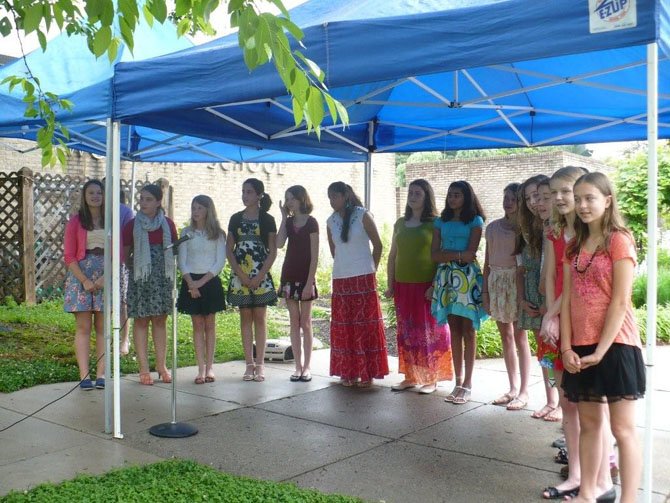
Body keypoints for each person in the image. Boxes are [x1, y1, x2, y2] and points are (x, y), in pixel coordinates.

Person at [561, 172, 644, 503]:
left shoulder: (619, 239)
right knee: (589, 424)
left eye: (590, 198)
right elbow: (567, 300)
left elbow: (621, 301)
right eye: (578, 198)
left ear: (607, 200)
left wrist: (601, 350)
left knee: (622, 429)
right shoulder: (573, 246)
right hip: (580, 346)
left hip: (617, 344)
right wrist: (566, 346)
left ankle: (630, 500)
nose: (582, 205)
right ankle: (586, 495)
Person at [542, 166, 588, 499]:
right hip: (558, 323)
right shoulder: (553, 232)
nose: (559, 197)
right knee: (567, 403)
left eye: (566, 191)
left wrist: (555, 312)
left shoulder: (592, 234)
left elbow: (580, 283)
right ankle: (575, 473)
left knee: (589, 405)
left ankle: (595, 473)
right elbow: (548, 276)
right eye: (554, 191)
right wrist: (550, 316)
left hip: (585, 322)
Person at [385, 179, 453, 394]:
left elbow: (441, 257)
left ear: (426, 197)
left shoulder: (435, 223)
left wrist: (434, 285)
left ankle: (431, 378)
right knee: (407, 331)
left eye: (417, 193)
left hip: (425, 285)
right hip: (402, 284)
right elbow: (392, 255)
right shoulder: (400, 223)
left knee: (429, 331)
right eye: (411, 192)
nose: (412, 196)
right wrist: (390, 283)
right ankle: (410, 376)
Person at [327, 182, 389, 387]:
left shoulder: (363, 215)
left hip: (363, 277)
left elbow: (378, 245)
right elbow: (334, 252)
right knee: (345, 326)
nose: (331, 201)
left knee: (364, 325)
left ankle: (367, 372)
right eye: (329, 197)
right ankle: (348, 371)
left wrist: (373, 268)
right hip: (341, 279)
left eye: (335, 196)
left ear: (345, 196)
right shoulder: (330, 221)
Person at [431, 180, 487, 405]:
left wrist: (450, 253)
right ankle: (458, 381)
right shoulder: (439, 221)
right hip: (446, 278)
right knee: (453, 328)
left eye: (457, 195)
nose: (452, 198)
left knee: (468, 330)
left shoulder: (475, 220)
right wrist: (458, 254)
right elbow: (434, 255)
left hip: (467, 278)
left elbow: (471, 253)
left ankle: (468, 384)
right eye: (450, 195)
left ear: (467, 197)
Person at [122, 184, 177, 386]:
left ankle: (161, 366)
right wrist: (139, 268)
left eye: (148, 199)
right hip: (141, 278)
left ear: (158, 202)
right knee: (141, 320)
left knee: (160, 320)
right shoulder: (132, 225)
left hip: (161, 279)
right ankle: (144, 369)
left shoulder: (168, 224)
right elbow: (125, 253)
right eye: (141, 198)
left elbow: (174, 251)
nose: (143, 202)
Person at [484, 182, 531, 411]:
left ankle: (524, 391)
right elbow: (487, 262)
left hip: (516, 282)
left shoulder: (524, 230)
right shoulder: (492, 228)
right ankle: (512, 388)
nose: (507, 202)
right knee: (506, 337)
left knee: (520, 337)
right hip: (497, 282)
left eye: (512, 198)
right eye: (505, 197)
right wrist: (485, 292)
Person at [516, 175, 559, 422]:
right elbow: (520, 267)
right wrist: (524, 298)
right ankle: (551, 398)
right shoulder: (529, 228)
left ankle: (561, 401)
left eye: (539, 196)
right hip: (535, 296)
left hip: (551, 297)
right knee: (545, 354)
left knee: (556, 354)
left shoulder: (553, 226)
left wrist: (547, 302)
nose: (534, 202)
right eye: (529, 197)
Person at [226, 178, 278, 382]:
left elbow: (272, 251)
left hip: (261, 274)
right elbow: (229, 250)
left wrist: (259, 275)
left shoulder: (268, 219)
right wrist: (240, 273)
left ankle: (261, 364)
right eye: (243, 191)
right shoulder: (235, 218)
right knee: (245, 317)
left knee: (260, 318)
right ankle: (249, 364)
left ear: (259, 195)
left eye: (249, 192)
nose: (245, 195)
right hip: (241, 275)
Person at [177, 195, 227, 384]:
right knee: (197, 325)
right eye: (193, 208)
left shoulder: (218, 234)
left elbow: (219, 262)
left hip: (209, 281)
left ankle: (210, 368)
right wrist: (191, 283)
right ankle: (200, 369)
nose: (195, 212)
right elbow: (182, 261)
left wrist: (201, 283)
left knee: (210, 324)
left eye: (199, 208)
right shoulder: (186, 233)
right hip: (191, 280)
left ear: (208, 210)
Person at [63, 180, 107, 390]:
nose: (95, 196)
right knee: (83, 327)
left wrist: (104, 279)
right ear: (85, 195)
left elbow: (118, 254)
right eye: (91, 192)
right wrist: (85, 280)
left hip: (105, 276)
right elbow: (69, 256)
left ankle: (101, 374)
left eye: (99, 192)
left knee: (102, 328)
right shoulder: (75, 222)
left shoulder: (111, 221)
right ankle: (84, 376)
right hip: (81, 277)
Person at [277, 185, 319, 382]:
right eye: (287, 199)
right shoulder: (289, 221)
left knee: (306, 322)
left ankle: (308, 366)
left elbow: (314, 255)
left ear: (301, 199)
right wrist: (284, 219)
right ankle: (297, 366)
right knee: (294, 322)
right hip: (289, 275)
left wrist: (310, 282)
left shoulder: (312, 223)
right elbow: (278, 243)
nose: (288, 202)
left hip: (306, 277)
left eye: (291, 198)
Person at [119, 189, 134, 356]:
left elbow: (128, 237)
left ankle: (124, 339)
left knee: (123, 302)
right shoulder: (97, 209)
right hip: (99, 260)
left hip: (120, 261)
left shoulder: (125, 211)